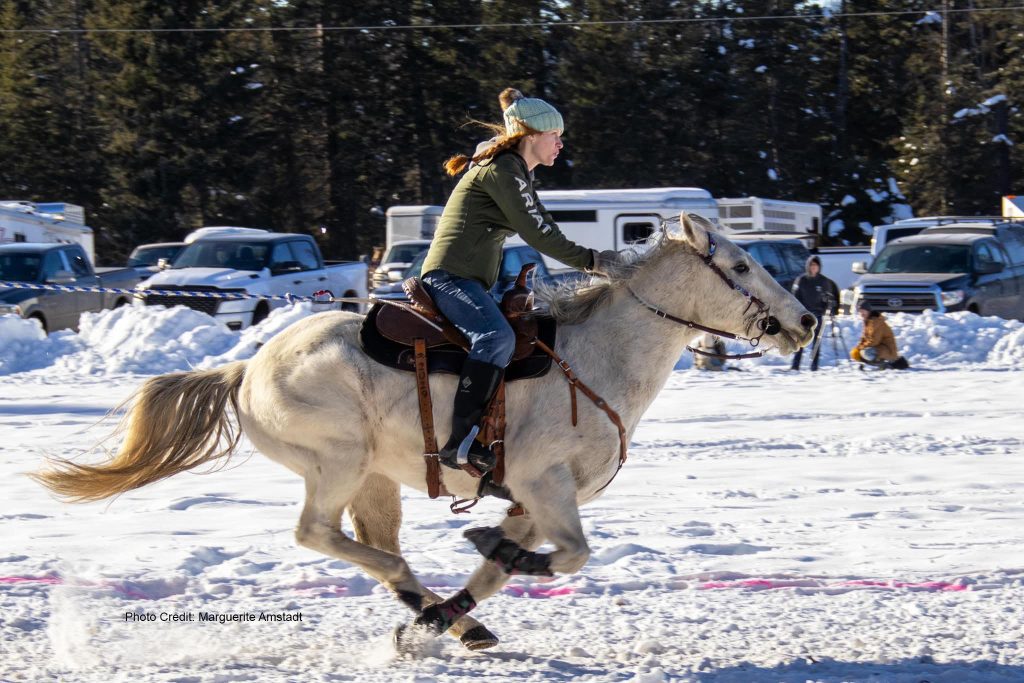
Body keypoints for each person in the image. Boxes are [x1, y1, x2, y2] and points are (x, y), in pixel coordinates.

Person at [421, 88, 621, 473]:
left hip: (471, 280)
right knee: (496, 339)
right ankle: (459, 443)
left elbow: (544, 224)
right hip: (449, 277)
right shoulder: (501, 169)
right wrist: (594, 262)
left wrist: (596, 259)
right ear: (531, 137)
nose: (561, 144)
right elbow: (540, 235)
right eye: (555, 136)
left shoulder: (515, 171)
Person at [790, 255, 839, 371]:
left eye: (816, 265)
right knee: (801, 340)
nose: (813, 268)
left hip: (817, 315)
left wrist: (829, 306)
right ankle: (795, 365)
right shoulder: (801, 280)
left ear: (819, 267)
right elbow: (795, 297)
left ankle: (814, 365)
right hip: (804, 315)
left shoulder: (823, 281)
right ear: (808, 266)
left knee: (817, 340)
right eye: (811, 265)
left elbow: (828, 297)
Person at [850, 300, 907, 369]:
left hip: (887, 350)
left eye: (863, 311)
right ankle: (877, 363)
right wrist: (858, 348)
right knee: (856, 353)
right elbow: (864, 338)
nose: (861, 313)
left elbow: (874, 341)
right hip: (879, 348)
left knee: (866, 352)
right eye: (860, 311)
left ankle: (885, 363)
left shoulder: (876, 322)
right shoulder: (868, 321)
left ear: (868, 311)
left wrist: (860, 349)